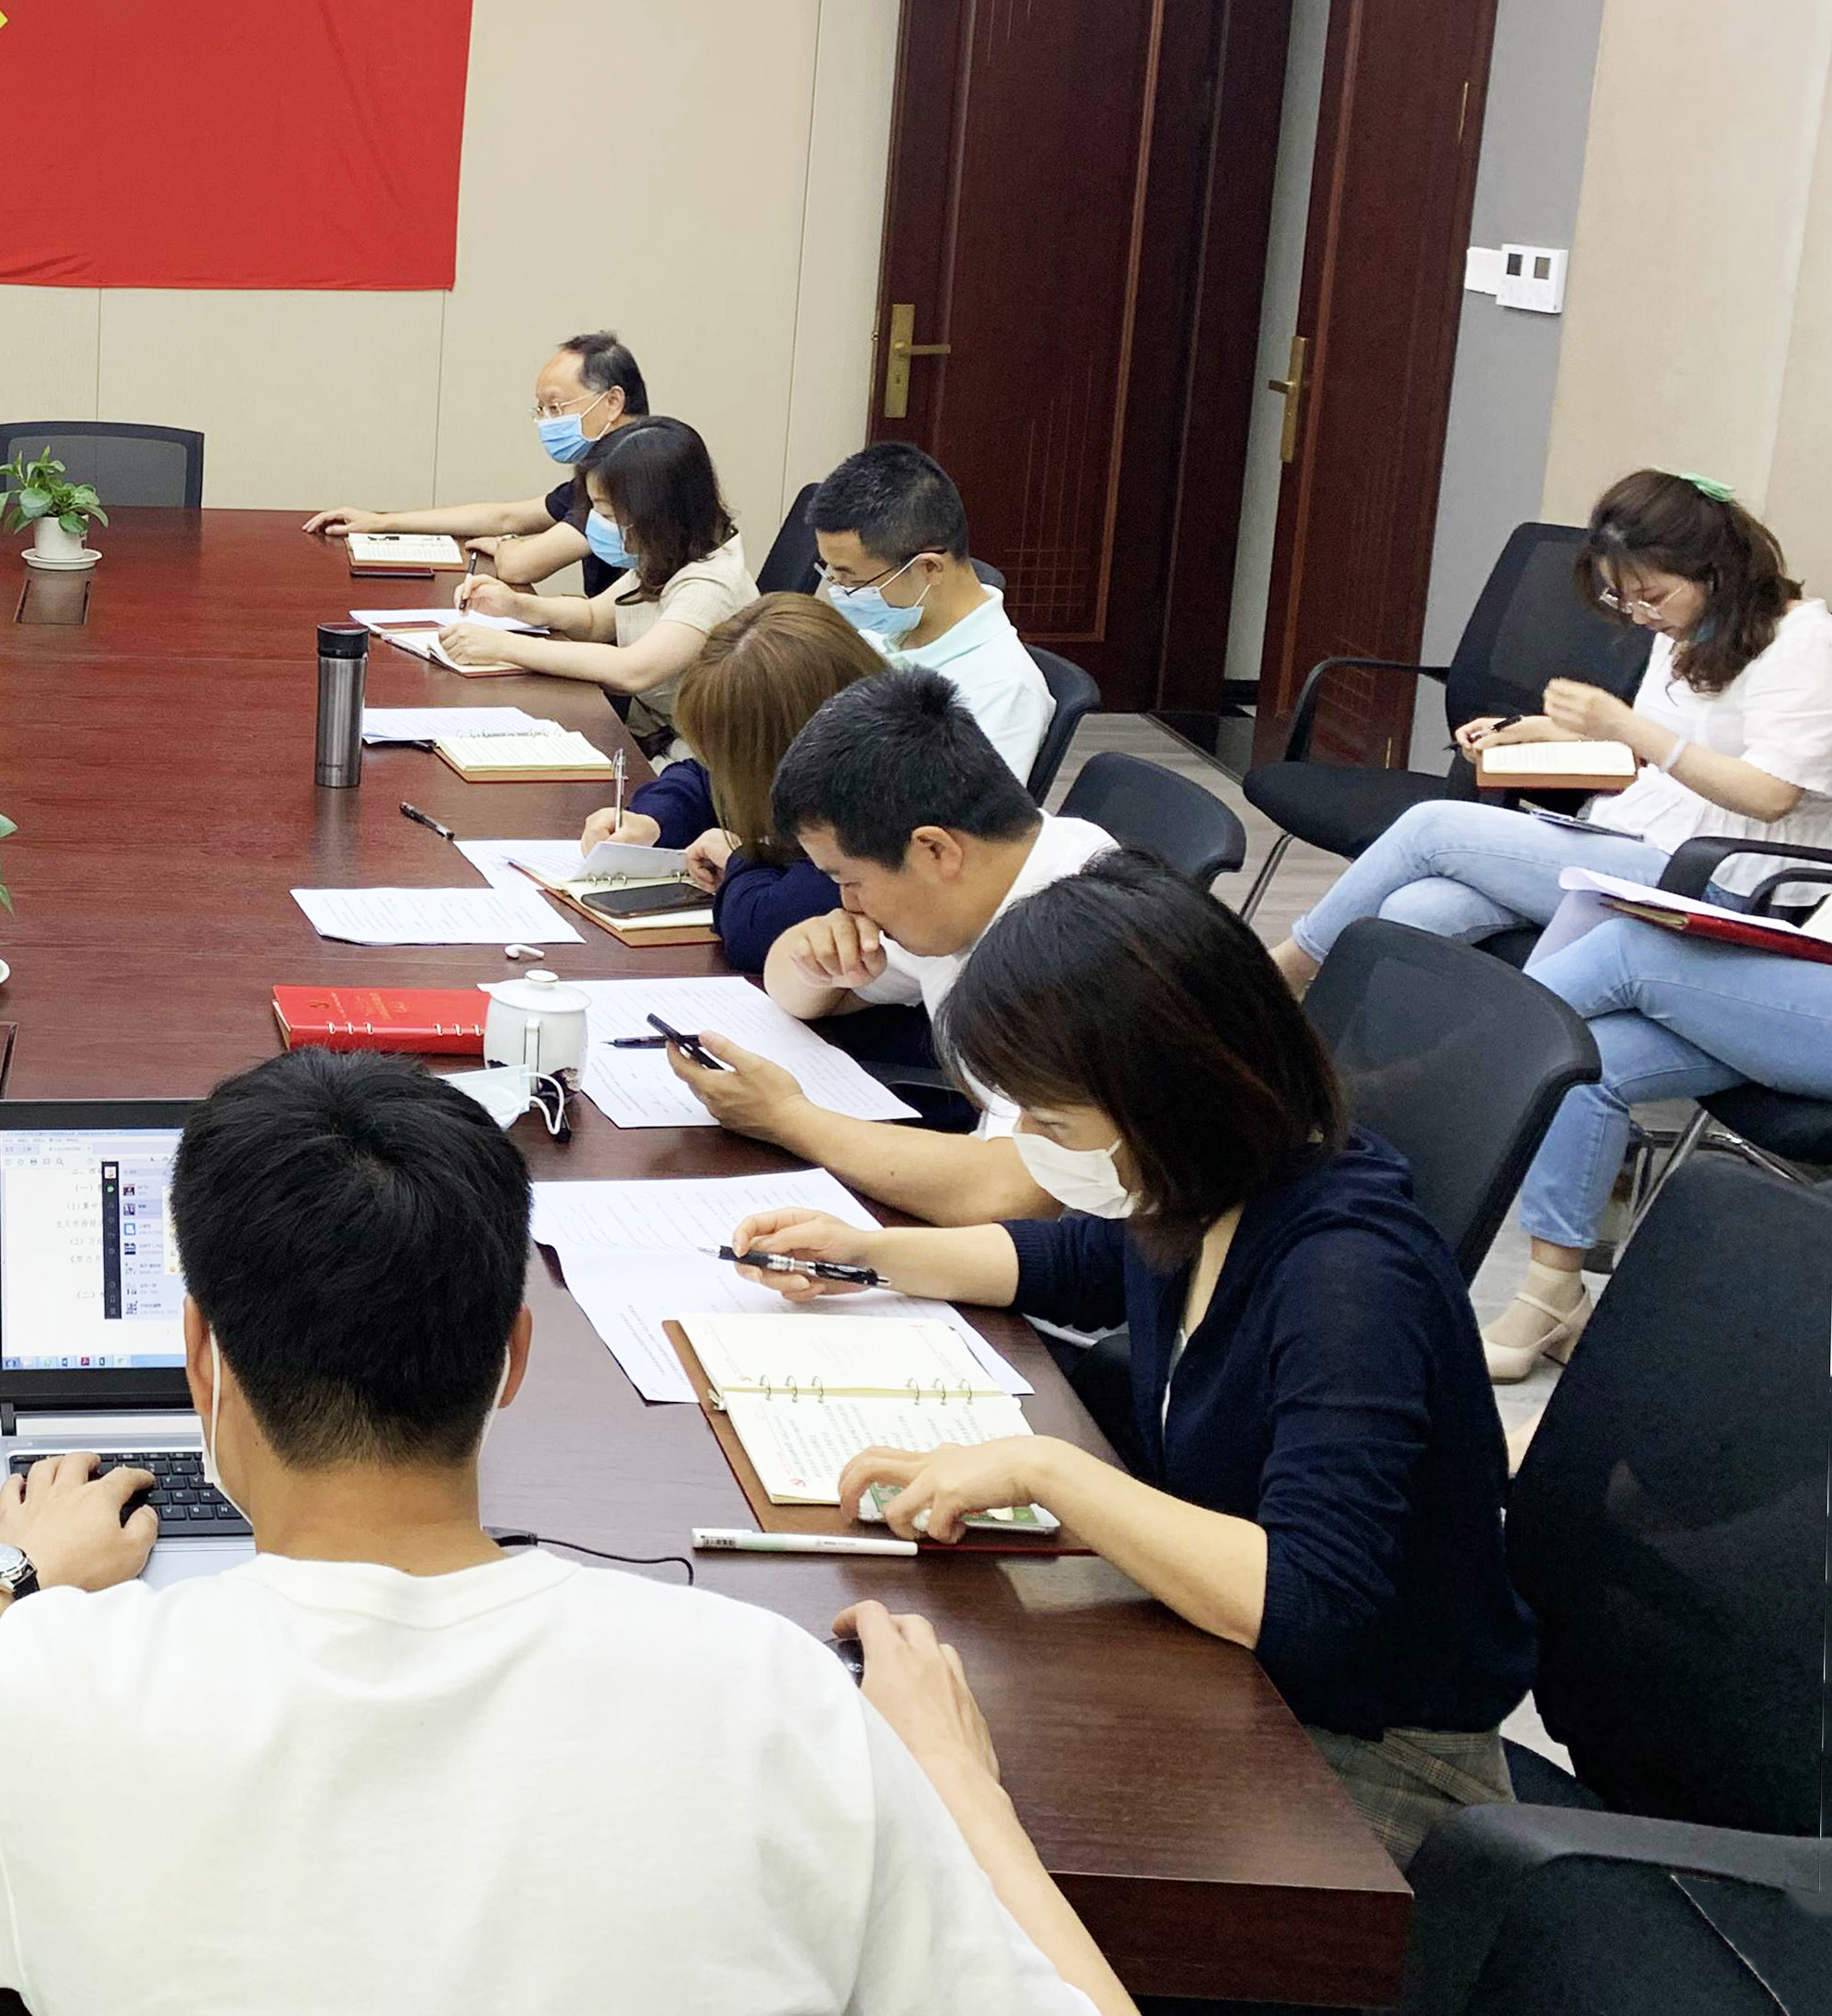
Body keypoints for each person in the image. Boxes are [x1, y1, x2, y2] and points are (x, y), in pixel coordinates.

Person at [0, 1048, 1131, 2016]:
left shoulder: (56, 1687)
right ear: (513, 1356)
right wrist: (957, 1784)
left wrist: (8, 1576)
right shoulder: (768, 1699)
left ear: (202, 1357)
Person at [729, 857, 1536, 1868]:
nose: (1033, 1143)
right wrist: (871, 1254)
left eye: (1054, 1122)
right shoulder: (1210, 1182)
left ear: (1169, 1095)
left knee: (917, 1827)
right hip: (1235, 1670)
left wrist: (1045, 1469)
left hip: (1372, 1754)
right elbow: (1084, 1260)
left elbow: (1310, 1605)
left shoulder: (1349, 1279)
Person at [1270, 470, 1832, 990]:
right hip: (1628, 840)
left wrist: (1625, 725)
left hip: (1719, 879)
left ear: (1717, 571)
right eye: (1625, 599)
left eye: (1652, 597)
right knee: (1416, 910)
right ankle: (1357, 1055)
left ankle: (1278, 977)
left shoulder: (1803, 642)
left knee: (1430, 827)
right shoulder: (1690, 626)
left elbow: (1769, 795)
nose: (1640, 616)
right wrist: (1543, 732)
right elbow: (1658, 760)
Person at [666, 668, 1117, 1226]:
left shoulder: (1071, 946)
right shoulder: (986, 878)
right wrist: (814, 958)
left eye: (850, 880)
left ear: (934, 850)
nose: (847, 902)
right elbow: (802, 992)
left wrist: (786, 1119)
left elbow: (1014, 1193)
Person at [1480, 901, 1832, 1378]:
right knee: (1586, 1065)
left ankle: (1434, 1077)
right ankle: (1552, 1296)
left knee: (1625, 949)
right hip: (1809, 967)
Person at [588, 593, 884, 976]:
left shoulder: (871, 813)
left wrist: (742, 858)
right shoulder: (831, 749)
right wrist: (651, 821)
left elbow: (759, 931)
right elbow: (703, 776)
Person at [439, 417, 752, 752]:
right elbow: (594, 619)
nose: (595, 524)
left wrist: (503, 646)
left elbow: (633, 670)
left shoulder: (711, 585)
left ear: (657, 513)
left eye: (607, 514)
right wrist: (516, 606)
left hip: (698, 758)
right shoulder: (667, 553)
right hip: (651, 737)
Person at [301, 330, 649, 589]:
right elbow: (506, 517)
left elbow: (521, 566)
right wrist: (381, 522)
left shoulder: (638, 472)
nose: (547, 421)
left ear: (612, 402)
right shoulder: (604, 467)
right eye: (541, 410)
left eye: (556, 407)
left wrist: (505, 547)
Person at [806, 442, 1054, 786]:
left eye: (855, 580)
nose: (840, 592)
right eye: (832, 573)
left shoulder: (1001, 691)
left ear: (929, 569)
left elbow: (962, 817)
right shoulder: (885, 630)